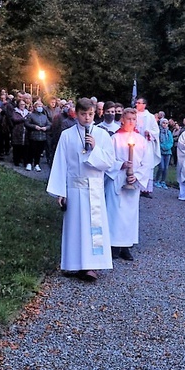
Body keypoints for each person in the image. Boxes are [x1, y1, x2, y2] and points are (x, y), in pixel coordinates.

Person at [46, 98, 115, 282]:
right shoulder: (67, 135)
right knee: (75, 227)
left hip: (94, 189)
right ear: (76, 114)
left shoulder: (102, 135)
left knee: (94, 228)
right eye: (83, 114)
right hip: (74, 188)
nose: (87, 118)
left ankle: (92, 266)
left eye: (90, 114)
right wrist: (61, 191)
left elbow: (109, 162)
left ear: (95, 114)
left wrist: (94, 149)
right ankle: (74, 264)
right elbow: (61, 163)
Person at [105, 108, 155, 261]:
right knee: (114, 213)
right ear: (122, 120)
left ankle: (126, 246)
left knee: (129, 215)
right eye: (128, 119)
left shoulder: (140, 140)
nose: (131, 122)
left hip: (133, 181)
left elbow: (147, 162)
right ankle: (113, 245)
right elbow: (107, 159)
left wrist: (136, 176)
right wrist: (120, 165)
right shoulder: (114, 139)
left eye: (134, 119)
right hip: (117, 179)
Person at [134, 97, 160, 198]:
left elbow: (156, 130)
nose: (137, 105)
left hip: (146, 143)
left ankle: (145, 189)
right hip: (134, 143)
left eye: (139, 103)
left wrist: (149, 133)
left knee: (147, 164)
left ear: (144, 105)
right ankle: (135, 184)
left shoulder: (150, 117)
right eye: (136, 103)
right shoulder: (133, 114)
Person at [24, 99, 51, 172]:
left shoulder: (44, 116)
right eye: (39, 106)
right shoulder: (31, 115)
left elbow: (49, 124)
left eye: (41, 106)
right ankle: (29, 163)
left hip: (42, 137)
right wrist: (34, 127)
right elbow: (26, 123)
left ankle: (37, 164)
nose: (40, 107)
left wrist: (46, 128)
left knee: (39, 152)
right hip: (33, 136)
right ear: (35, 107)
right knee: (31, 150)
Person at [10, 98, 29, 167]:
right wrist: (23, 119)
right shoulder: (15, 112)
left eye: (23, 104)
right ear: (18, 105)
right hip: (17, 131)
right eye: (21, 104)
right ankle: (16, 161)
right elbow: (15, 119)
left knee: (25, 147)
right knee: (16, 146)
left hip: (25, 131)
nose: (22, 106)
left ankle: (24, 160)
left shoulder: (27, 112)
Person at [154, 118, 173, 188]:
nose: (165, 124)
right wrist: (162, 146)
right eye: (163, 123)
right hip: (161, 152)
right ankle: (157, 180)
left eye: (166, 123)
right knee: (161, 167)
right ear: (161, 123)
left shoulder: (169, 132)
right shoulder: (158, 132)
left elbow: (171, 141)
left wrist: (167, 147)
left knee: (166, 168)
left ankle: (163, 181)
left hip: (168, 152)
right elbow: (157, 141)